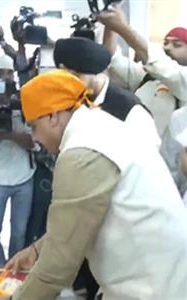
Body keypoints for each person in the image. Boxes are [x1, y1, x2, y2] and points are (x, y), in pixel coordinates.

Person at [4, 69, 187, 300]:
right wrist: (36, 250)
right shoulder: (98, 126)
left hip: (152, 287)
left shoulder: (83, 152)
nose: (34, 138)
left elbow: (59, 266)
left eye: (33, 126)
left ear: (53, 116)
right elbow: (75, 222)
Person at [53, 36, 163, 299]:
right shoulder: (76, 102)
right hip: (88, 215)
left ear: (88, 72)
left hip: (125, 223)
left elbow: (145, 170)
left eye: (71, 76)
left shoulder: (130, 111)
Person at [98, 5, 187, 139]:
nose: (167, 48)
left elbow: (159, 64)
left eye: (177, 44)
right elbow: (111, 60)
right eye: (166, 43)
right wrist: (111, 27)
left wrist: (123, 28)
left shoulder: (183, 79)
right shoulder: (148, 78)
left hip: (170, 158)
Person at [0, 55, 35, 258]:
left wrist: (7, 134)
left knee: (19, 232)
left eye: (9, 73)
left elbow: (33, 143)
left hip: (24, 178)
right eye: (0, 73)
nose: (5, 78)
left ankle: (14, 275)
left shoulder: (25, 105)